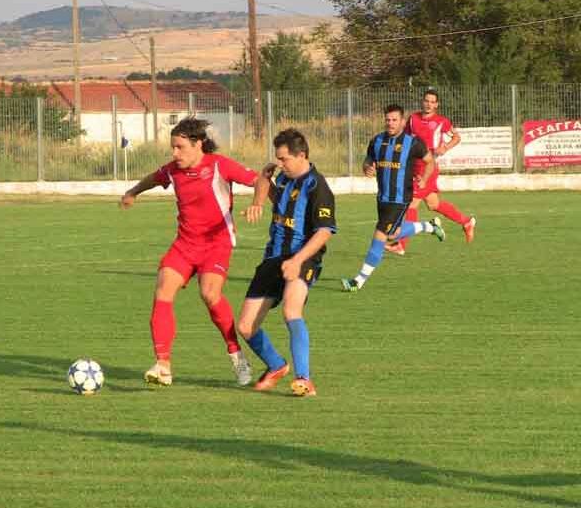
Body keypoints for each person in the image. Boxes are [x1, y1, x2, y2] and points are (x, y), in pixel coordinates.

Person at [119, 117, 257, 387]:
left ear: (198, 144)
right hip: (185, 244)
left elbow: (258, 180)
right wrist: (133, 191)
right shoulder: (173, 170)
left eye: (180, 147)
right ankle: (163, 365)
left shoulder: (220, 165)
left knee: (209, 294)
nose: (174, 153)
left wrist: (264, 202)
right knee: (163, 290)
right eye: (172, 147)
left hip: (216, 244)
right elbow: (154, 178)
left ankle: (236, 354)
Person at [237, 128, 336, 397]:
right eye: (278, 159)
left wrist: (297, 260)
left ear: (301, 155)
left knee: (291, 310)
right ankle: (276, 365)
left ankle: (304, 379)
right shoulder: (283, 178)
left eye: (284, 159)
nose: (280, 164)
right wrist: (261, 191)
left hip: (304, 256)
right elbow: (268, 188)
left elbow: (324, 231)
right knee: (245, 326)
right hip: (274, 256)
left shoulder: (318, 186)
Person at [341, 104, 446, 293]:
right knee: (393, 234)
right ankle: (429, 226)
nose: (390, 123)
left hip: (400, 198)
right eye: (388, 120)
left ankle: (358, 280)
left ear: (402, 122)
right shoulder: (377, 141)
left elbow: (430, 161)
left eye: (394, 120)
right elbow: (368, 159)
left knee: (380, 235)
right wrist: (367, 167)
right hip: (382, 197)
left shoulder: (413, 143)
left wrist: (425, 178)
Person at [387, 89, 476, 255]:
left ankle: (401, 245)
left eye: (432, 102)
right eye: (426, 101)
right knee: (433, 204)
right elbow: (405, 138)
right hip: (413, 167)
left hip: (428, 167)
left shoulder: (442, 122)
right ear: (423, 101)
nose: (429, 104)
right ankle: (466, 222)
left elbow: (456, 137)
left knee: (411, 204)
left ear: (437, 105)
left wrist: (445, 147)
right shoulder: (413, 119)